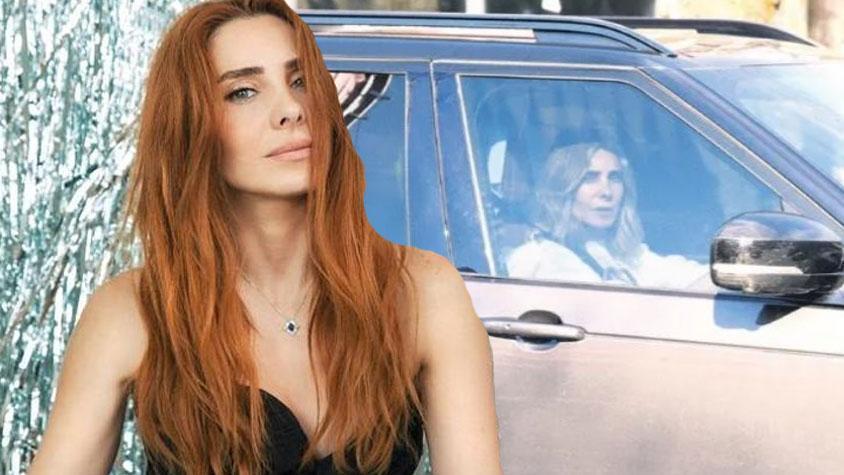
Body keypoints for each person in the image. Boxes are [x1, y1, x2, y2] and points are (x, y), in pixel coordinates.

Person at [27, 1, 502, 474]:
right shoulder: (133, 311)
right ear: (190, 127)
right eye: (243, 92)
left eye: (301, 81)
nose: (291, 110)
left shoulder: (422, 291)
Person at [506, 142, 707, 288]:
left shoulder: (624, 254)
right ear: (564, 189)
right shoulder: (538, 258)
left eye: (615, 178)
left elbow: (687, 276)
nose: (607, 191)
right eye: (590, 178)